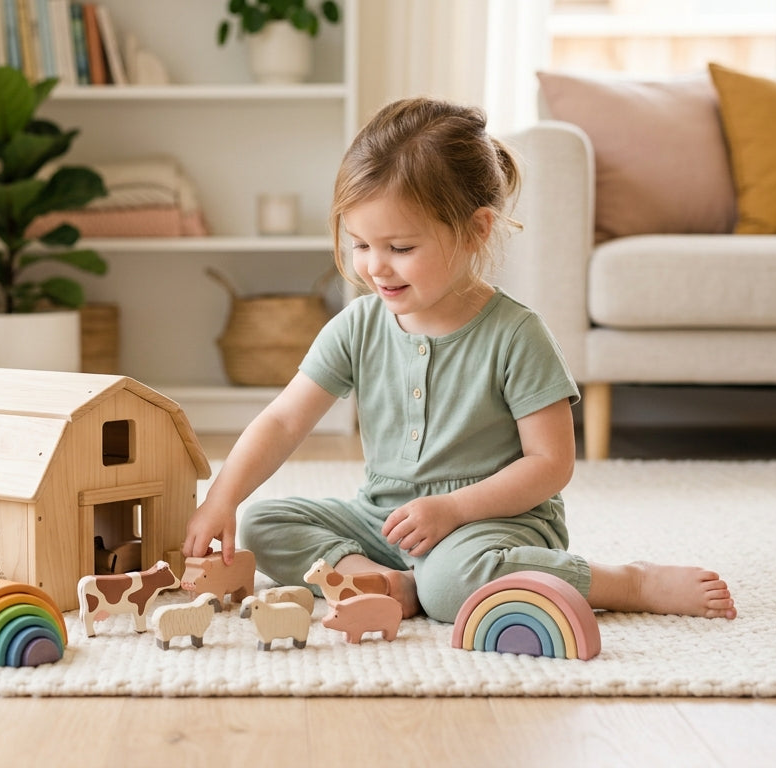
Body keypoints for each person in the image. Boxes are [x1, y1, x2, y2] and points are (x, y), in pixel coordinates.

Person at [182, 97, 736, 624]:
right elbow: (284, 420)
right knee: (265, 523)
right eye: (361, 244)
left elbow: (551, 464)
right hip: (385, 522)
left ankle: (626, 583)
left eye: (401, 248)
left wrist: (452, 510)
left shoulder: (517, 334)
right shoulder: (358, 325)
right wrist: (222, 499)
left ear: (476, 231)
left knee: (450, 586)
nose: (376, 267)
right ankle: (383, 581)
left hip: (493, 523)